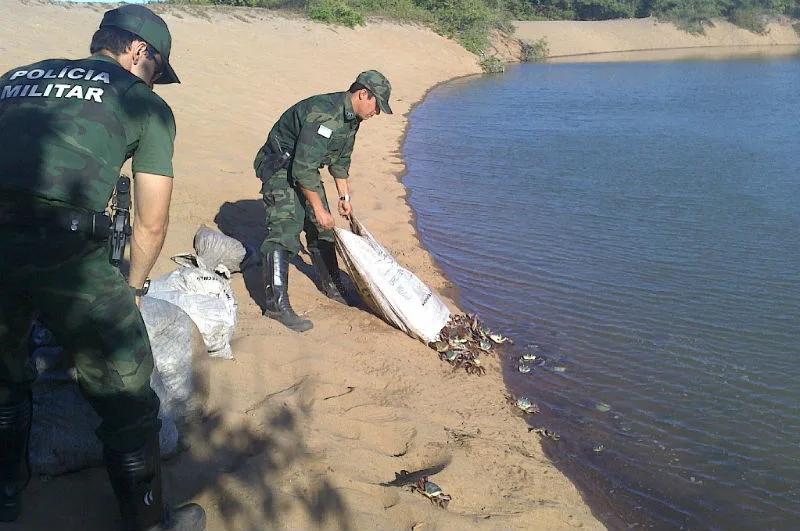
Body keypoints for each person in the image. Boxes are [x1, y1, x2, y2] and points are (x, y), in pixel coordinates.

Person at [0, 5, 205, 531]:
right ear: (139, 52)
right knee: (127, 394)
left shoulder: (16, 78)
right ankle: (148, 523)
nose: (156, 81)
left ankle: (6, 499)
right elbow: (151, 221)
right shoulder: (143, 103)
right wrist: (133, 290)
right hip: (66, 257)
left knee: (4, 377)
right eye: (157, 70)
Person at [253, 70, 392, 332]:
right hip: (280, 166)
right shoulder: (325, 114)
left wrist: (344, 197)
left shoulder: (352, 119)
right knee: (287, 228)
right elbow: (302, 169)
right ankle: (275, 306)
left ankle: (332, 287)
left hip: (304, 165)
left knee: (323, 230)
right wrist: (318, 208)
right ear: (363, 94)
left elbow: (340, 162)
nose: (378, 113)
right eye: (377, 105)